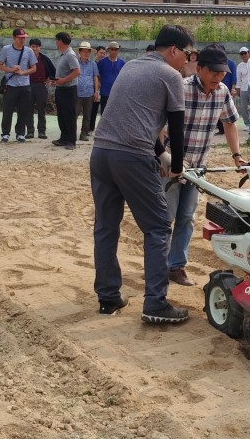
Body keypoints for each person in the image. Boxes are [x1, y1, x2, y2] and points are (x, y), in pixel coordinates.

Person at [90, 24, 193, 325]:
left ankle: (108, 298)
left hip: (101, 153)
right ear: (173, 50)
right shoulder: (172, 76)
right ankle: (156, 304)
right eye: (186, 55)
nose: (187, 62)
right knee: (159, 226)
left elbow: (135, 115)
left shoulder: (132, 66)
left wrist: (160, 153)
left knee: (106, 226)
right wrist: (176, 168)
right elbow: (176, 126)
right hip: (132, 157)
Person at [164, 45, 244, 286]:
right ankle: (158, 265)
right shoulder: (181, 88)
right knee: (165, 219)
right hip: (170, 165)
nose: (218, 78)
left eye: (222, 74)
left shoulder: (222, 92)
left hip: (197, 169)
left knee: (187, 218)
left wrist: (237, 156)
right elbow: (159, 124)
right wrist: (161, 158)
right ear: (199, 69)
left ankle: (176, 266)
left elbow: (230, 124)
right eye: (213, 73)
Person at [0, 28, 37, 143]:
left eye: (24, 38)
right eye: (20, 38)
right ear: (14, 38)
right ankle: (5, 133)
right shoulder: (6, 49)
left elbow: (34, 68)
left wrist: (22, 73)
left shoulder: (29, 51)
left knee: (23, 111)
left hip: (25, 85)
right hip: (10, 85)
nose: (22, 40)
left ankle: (20, 133)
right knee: (7, 111)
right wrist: (10, 69)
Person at [51, 31, 81, 150]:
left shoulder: (70, 55)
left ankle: (71, 141)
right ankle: (64, 138)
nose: (56, 43)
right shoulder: (63, 54)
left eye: (57, 40)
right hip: (61, 89)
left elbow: (77, 71)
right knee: (62, 115)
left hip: (69, 90)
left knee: (68, 115)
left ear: (61, 41)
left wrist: (64, 80)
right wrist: (57, 81)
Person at [26, 38, 56, 139]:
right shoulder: (25, 58)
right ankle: (30, 131)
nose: (35, 48)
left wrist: (49, 80)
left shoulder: (44, 59)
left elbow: (53, 71)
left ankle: (41, 131)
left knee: (41, 109)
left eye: (37, 46)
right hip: (28, 86)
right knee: (28, 109)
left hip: (41, 86)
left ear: (40, 48)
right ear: (29, 47)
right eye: (33, 46)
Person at [95, 41, 126, 126]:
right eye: (112, 49)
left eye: (116, 49)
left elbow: (124, 77)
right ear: (108, 50)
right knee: (104, 112)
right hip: (105, 91)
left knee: (116, 112)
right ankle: (103, 128)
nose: (114, 51)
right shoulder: (101, 62)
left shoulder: (122, 63)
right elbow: (97, 76)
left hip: (117, 92)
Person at [75, 41, 100, 141]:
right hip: (77, 92)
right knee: (74, 114)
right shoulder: (75, 62)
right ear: (79, 52)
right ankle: (72, 133)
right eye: (84, 51)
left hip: (89, 93)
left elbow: (95, 78)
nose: (86, 53)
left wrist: (96, 91)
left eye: (88, 51)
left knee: (87, 115)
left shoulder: (93, 64)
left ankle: (84, 134)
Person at [214, 53, 238, 135]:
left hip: (226, 90)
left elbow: (234, 77)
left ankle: (226, 129)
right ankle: (221, 129)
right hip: (215, 88)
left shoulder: (231, 63)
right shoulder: (214, 63)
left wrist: (233, 88)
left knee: (226, 112)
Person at [234, 46, 250, 127]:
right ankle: (247, 124)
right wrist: (238, 89)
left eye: (245, 53)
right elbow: (238, 79)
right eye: (242, 54)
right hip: (243, 88)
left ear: (248, 53)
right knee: (244, 108)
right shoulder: (239, 66)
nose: (244, 55)